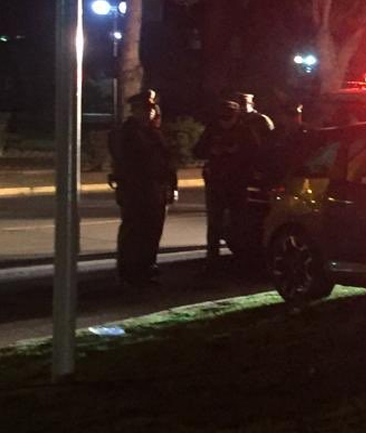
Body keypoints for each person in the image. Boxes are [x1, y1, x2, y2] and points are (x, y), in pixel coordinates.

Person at [108, 90, 177, 286]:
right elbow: (129, 161)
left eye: (151, 109)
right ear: (134, 111)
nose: (150, 112)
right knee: (133, 231)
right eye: (145, 109)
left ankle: (147, 268)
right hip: (135, 190)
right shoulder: (126, 132)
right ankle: (128, 272)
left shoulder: (154, 132)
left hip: (156, 189)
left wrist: (172, 186)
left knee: (153, 230)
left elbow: (167, 163)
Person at [194, 98, 259, 266]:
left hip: (237, 183)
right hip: (216, 182)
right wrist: (212, 150)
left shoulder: (245, 131)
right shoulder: (213, 130)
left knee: (238, 222)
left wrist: (237, 152)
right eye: (223, 117)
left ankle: (241, 258)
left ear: (236, 116)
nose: (225, 121)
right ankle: (212, 260)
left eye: (229, 116)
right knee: (214, 223)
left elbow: (256, 152)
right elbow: (197, 150)